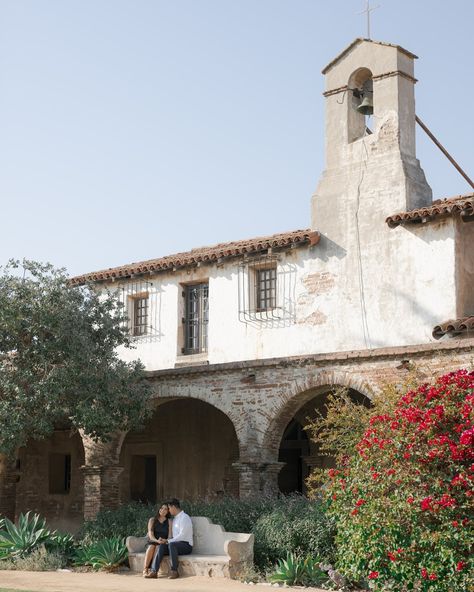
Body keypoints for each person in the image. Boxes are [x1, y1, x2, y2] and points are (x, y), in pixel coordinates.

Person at [146, 498, 193, 579]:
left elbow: (182, 535)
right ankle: (154, 571)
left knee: (171, 545)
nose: (169, 510)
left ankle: (174, 571)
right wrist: (164, 541)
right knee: (162, 546)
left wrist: (168, 541)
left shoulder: (185, 518)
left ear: (173, 507)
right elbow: (171, 537)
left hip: (186, 545)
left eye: (169, 508)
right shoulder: (174, 519)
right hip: (174, 545)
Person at [142, 503, 172, 577]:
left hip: (163, 543)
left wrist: (165, 540)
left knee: (158, 547)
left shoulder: (169, 521)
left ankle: (153, 571)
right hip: (153, 541)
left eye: (166, 509)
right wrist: (157, 541)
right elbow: (150, 535)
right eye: (162, 508)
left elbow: (170, 536)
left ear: (168, 511)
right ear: (159, 509)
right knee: (152, 546)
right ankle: (145, 569)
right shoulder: (152, 520)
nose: (163, 510)